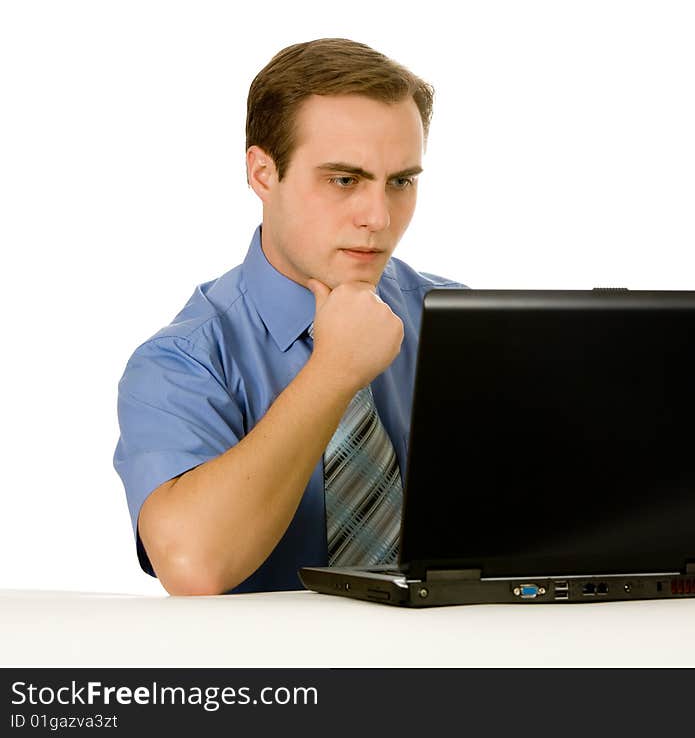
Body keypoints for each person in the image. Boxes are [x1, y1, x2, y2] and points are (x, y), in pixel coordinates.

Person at [113, 38, 468, 596]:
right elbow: (193, 566)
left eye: (400, 181)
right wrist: (334, 371)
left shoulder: (460, 325)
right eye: (344, 180)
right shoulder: (182, 363)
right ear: (262, 173)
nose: (378, 217)